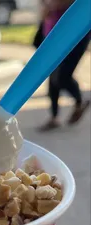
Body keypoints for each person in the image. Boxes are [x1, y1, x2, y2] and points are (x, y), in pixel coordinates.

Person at [38, 0, 90, 131]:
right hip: (52, 33)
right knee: (52, 75)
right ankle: (54, 117)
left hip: (75, 36)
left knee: (62, 76)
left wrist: (50, 5)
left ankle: (79, 102)